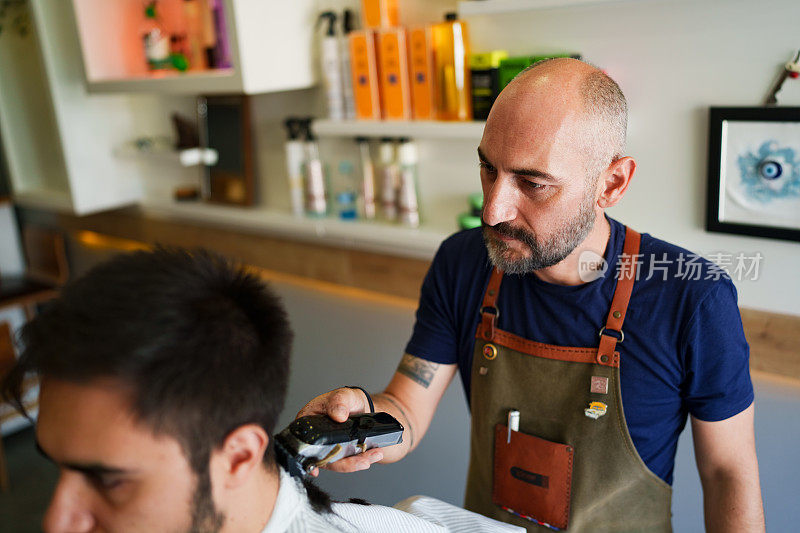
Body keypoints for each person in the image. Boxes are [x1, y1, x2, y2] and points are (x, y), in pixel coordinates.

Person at [297, 58, 766, 532]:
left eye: (533, 183)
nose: (494, 210)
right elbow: (407, 411)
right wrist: (360, 420)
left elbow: (729, 474)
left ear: (612, 183)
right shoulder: (462, 263)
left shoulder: (693, 297)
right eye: (487, 169)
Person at [1, 248, 523, 533]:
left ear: (237, 457)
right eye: (60, 468)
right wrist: (367, 410)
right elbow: (404, 407)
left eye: (111, 481)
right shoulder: (462, 264)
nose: (54, 521)